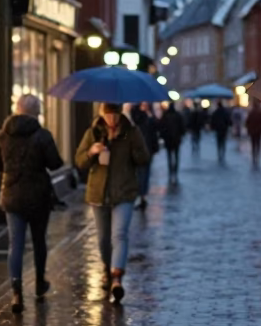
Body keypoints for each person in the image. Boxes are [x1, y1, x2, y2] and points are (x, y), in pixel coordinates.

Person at [0, 94, 63, 315]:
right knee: (39, 241)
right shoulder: (42, 135)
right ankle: (40, 282)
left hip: (11, 197)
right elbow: (55, 164)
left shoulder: (2, 136)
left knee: (15, 244)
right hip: (38, 196)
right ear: (35, 111)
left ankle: (16, 291)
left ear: (17, 109)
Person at [75, 102, 150, 303]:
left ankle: (117, 278)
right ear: (102, 114)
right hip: (98, 193)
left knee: (119, 234)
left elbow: (144, 158)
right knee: (102, 239)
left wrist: (133, 148)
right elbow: (79, 161)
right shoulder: (93, 132)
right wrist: (92, 151)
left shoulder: (130, 132)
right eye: (108, 115)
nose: (112, 120)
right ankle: (107, 270)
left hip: (124, 192)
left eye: (115, 115)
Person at [131, 102, 159, 209]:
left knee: (145, 173)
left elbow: (154, 131)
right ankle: (140, 196)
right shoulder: (138, 116)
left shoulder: (149, 116)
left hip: (148, 149)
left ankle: (143, 196)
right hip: (140, 149)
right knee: (140, 173)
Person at [159, 101, 186, 183]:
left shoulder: (165, 115)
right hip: (176, 139)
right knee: (176, 155)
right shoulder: (178, 115)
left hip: (168, 139)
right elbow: (182, 127)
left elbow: (162, 127)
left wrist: (163, 136)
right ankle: (175, 170)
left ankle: (171, 169)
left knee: (169, 156)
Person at [246, 101, 261, 167]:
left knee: (253, 144)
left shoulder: (251, 112)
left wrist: (249, 129)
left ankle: (254, 156)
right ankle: (257, 156)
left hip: (252, 131)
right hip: (259, 131)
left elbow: (247, 122)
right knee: (258, 143)